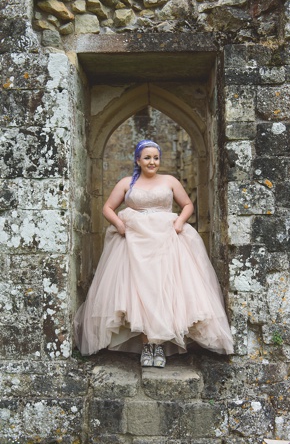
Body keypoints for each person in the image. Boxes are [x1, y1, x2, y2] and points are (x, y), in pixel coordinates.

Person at [74, 140, 234, 367]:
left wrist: (179, 221)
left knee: (164, 289)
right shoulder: (126, 183)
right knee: (139, 292)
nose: (152, 162)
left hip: (166, 241)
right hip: (134, 243)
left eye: (156, 158)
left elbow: (187, 204)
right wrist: (120, 225)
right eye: (147, 158)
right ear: (138, 160)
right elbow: (107, 208)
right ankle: (146, 346)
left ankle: (158, 346)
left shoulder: (170, 181)